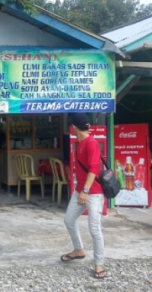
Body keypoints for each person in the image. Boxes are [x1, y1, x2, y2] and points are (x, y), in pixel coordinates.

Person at [61, 113, 106, 279]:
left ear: (74, 127)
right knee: (69, 220)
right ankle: (78, 249)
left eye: (71, 126)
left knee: (94, 229)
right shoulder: (80, 143)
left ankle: (99, 264)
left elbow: (94, 169)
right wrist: (80, 190)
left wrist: (85, 191)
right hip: (79, 191)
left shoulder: (91, 143)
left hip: (92, 193)